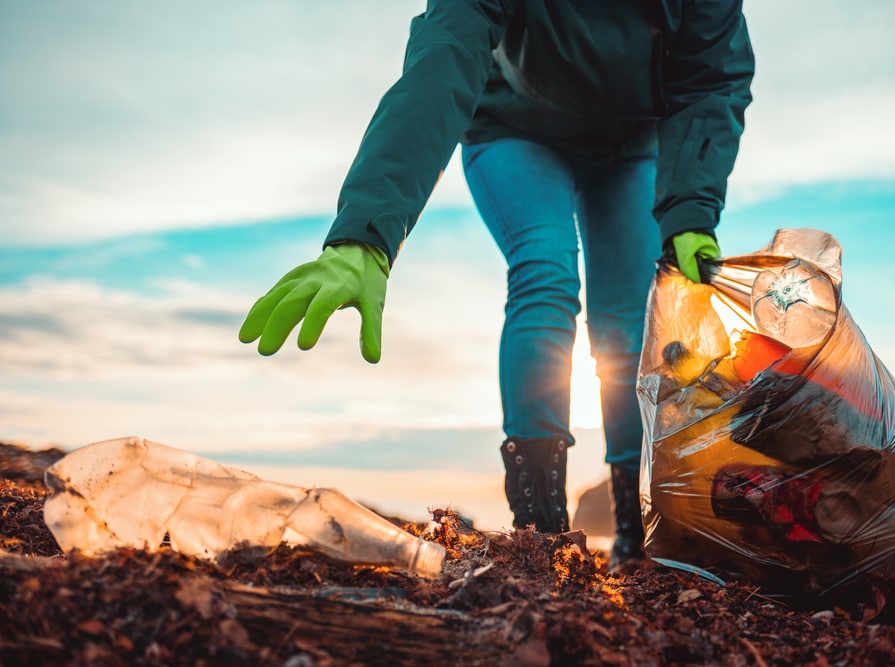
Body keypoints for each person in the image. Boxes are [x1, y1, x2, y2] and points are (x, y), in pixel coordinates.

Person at [239, 1, 754, 570]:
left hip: (633, 147)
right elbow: (445, 56)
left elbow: (712, 77)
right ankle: (541, 531)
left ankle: (636, 527)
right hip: (516, 129)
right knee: (545, 272)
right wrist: (369, 231)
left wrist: (690, 214)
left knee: (629, 323)